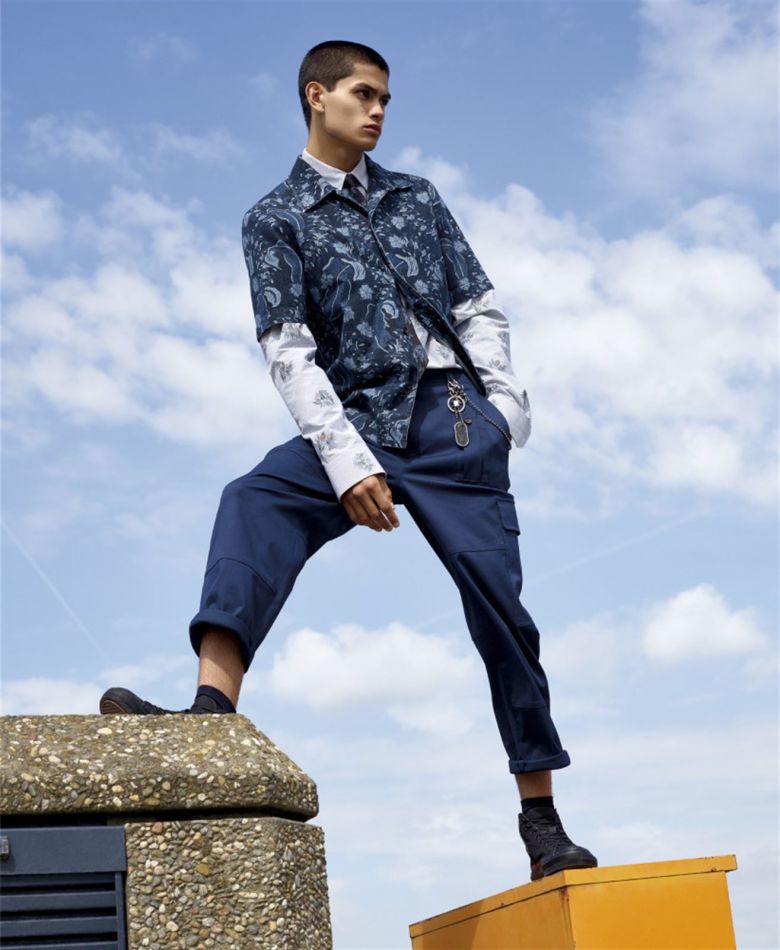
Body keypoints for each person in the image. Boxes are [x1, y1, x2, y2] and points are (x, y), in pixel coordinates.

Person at [99, 39, 597, 881]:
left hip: (453, 422)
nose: (378, 111)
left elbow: (479, 307)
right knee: (253, 499)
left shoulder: (416, 198)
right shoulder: (275, 218)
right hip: (355, 418)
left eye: (385, 99)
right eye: (364, 94)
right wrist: (346, 464)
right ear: (315, 95)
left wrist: (503, 412)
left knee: (500, 607)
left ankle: (542, 821)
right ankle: (212, 709)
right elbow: (288, 349)